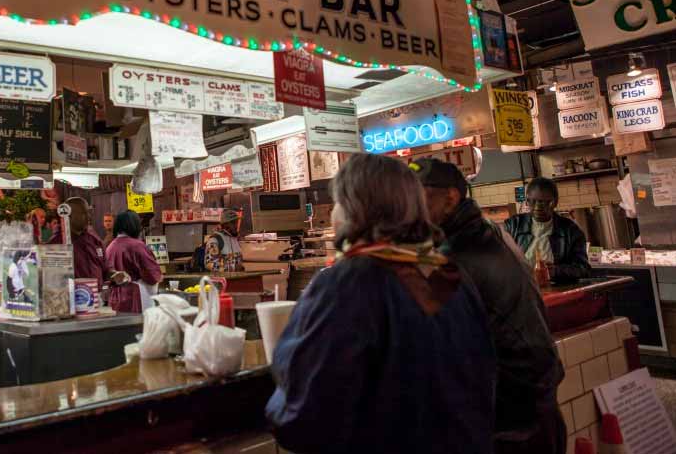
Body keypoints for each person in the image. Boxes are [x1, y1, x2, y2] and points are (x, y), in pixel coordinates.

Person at [266, 154, 495, 454]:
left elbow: (305, 417)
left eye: (337, 202)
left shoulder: (346, 284)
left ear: (353, 209)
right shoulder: (446, 273)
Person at [414, 158, 565, 454]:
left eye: (417, 196)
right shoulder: (486, 230)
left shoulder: (456, 253)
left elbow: (427, 327)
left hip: (513, 406)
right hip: (534, 390)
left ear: (450, 197)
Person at [505, 177, 591, 282]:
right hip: (521, 289)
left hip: (558, 290)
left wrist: (555, 271)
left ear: (555, 202)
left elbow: (583, 268)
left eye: (545, 202)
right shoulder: (513, 226)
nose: (538, 207)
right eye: (533, 202)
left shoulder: (571, 231)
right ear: (527, 201)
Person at [106, 211, 163, 313]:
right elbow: (152, 276)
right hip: (135, 299)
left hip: (115, 299)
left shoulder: (110, 247)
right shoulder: (137, 246)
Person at [65, 197, 127, 289]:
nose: (88, 217)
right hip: (74, 295)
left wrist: (115, 274)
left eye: (89, 213)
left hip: (98, 295)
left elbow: (106, 269)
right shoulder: (58, 243)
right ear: (69, 215)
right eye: (84, 213)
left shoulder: (95, 240)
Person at [203, 208, 244, 272]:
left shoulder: (235, 238)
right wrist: (232, 268)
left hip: (238, 277)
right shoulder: (214, 240)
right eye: (233, 223)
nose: (236, 225)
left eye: (236, 222)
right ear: (225, 224)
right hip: (222, 278)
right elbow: (209, 263)